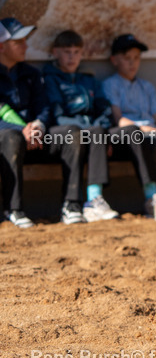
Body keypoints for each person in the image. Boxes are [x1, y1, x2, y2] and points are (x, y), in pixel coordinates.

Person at [0, 17, 89, 226]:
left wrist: (38, 125)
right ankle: (13, 210)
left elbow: (44, 108)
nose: (26, 46)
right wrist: (21, 130)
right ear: (1, 46)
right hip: (9, 138)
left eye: (25, 41)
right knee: (12, 138)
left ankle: (71, 205)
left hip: (36, 136)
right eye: (18, 42)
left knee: (72, 132)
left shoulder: (31, 74)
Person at [42, 29, 122, 223]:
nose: (72, 57)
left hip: (87, 132)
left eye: (76, 52)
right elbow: (57, 115)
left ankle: (94, 200)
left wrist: (98, 130)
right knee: (76, 132)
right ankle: (70, 204)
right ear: (55, 52)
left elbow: (104, 110)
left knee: (99, 131)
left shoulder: (90, 80)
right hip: (60, 134)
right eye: (67, 51)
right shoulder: (49, 79)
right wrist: (88, 131)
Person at [101, 34, 156, 221]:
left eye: (136, 58)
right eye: (127, 58)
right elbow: (119, 121)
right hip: (130, 139)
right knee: (146, 138)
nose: (133, 63)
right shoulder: (109, 85)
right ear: (114, 60)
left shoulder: (147, 86)